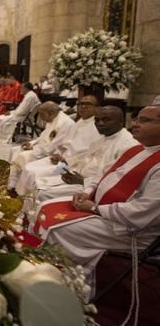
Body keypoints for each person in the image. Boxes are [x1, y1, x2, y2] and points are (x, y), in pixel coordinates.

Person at [35, 105, 160, 295]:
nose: (135, 124)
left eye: (144, 120)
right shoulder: (138, 150)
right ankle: (45, 273)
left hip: (133, 229)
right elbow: (105, 175)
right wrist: (89, 191)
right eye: (136, 119)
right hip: (106, 210)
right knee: (45, 206)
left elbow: (143, 211)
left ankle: (72, 290)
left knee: (60, 228)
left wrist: (95, 208)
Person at [35, 105, 138, 204]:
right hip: (75, 172)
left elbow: (115, 179)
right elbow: (84, 157)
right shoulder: (101, 135)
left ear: (121, 122)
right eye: (97, 120)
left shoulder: (127, 145)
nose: (100, 123)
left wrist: (83, 181)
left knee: (44, 193)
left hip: (91, 186)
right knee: (38, 181)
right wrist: (65, 162)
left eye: (106, 120)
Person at [16, 95, 102, 197]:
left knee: (32, 172)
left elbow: (87, 154)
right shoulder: (80, 122)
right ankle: (23, 198)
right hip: (62, 159)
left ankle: (28, 202)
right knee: (28, 167)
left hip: (72, 166)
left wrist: (64, 159)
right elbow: (65, 144)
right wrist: (58, 155)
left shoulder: (96, 127)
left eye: (87, 104)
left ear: (97, 108)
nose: (83, 107)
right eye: (80, 104)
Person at [8, 102, 75, 192]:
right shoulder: (53, 119)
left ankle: (21, 190)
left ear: (51, 113)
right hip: (42, 149)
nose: (40, 117)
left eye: (42, 114)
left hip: (54, 155)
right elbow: (43, 136)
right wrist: (32, 143)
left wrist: (33, 148)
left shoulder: (63, 123)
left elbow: (51, 148)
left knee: (22, 156)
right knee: (15, 149)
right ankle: (13, 183)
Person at [0, 82, 41, 160]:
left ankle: (2, 137)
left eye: (22, 88)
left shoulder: (29, 96)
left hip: (21, 116)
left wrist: (11, 112)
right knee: (1, 118)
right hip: (20, 114)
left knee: (0, 118)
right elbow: (22, 109)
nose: (20, 89)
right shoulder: (30, 95)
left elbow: (21, 111)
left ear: (26, 88)